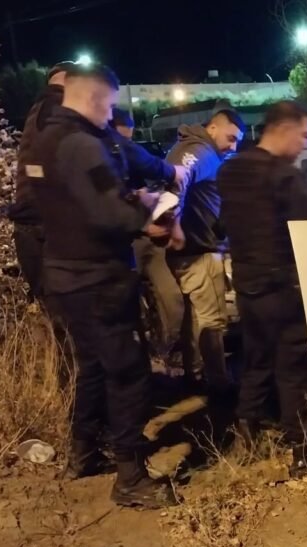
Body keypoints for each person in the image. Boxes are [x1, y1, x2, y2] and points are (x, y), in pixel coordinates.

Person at [26, 63, 176, 509]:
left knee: (92, 367)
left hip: (64, 275)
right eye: (109, 106)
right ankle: (130, 477)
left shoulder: (45, 138)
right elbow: (110, 211)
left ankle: (83, 454)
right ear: (93, 99)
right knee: (128, 372)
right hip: (98, 279)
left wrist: (151, 183)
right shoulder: (83, 146)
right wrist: (147, 209)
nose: (110, 115)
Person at [217, 101, 307, 476]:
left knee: (256, 360)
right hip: (284, 288)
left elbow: (222, 224)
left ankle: (246, 434)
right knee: (295, 372)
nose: (305, 144)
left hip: (248, 286)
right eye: (304, 135)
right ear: (284, 129)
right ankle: (304, 454)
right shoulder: (285, 177)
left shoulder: (231, 171)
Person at [164, 110, 245, 400]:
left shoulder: (190, 147)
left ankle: (195, 375)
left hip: (190, 251)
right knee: (212, 321)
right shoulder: (200, 152)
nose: (233, 146)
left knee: (194, 319)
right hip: (199, 252)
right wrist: (174, 226)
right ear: (212, 128)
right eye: (230, 138)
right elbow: (177, 182)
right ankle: (219, 384)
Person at [110, 107, 187, 359]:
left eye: (130, 140)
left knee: (172, 300)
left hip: (149, 241)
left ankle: (165, 351)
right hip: (124, 245)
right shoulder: (100, 166)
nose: (127, 147)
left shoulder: (133, 161)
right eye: (123, 140)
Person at [9, 61, 74, 301]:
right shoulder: (60, 107)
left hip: (28, 225)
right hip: (50, 226)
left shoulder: (38, 109)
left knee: (52, 308)